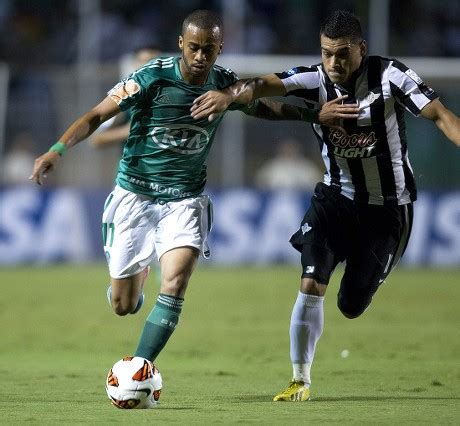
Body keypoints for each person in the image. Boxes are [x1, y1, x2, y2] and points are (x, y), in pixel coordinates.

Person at [29, 9, 359, 376]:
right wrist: (56, 151)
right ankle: (129, 287)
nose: (201, 57)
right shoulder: (150, 78)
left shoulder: (224, 83)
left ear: (220, 48)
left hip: (185, 199)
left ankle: (139, 369)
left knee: (175, 282)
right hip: (135, 195)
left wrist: (314, 114)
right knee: (123, 305)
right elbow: (95, 116)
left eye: (209, 49)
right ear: (181, 45)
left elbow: (264, 107)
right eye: (194, 48)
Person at [190, 10, 460, 402]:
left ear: (361, 50)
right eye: (327, 53)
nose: (333, 63)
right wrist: (227, 95)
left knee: (351, 305)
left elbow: (441, 116)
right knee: (311, 280)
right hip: (335, 199)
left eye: (343, 54)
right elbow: (261, 85)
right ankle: (300, 379)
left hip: (388, 209)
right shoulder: (314, 79)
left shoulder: (391, 76)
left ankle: (362, 281)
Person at [90, 45, 161, 149]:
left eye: (152, 61)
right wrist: (130, 130)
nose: (147, 66)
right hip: (132, 164)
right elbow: (96, 139)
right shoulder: (125, 97)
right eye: (143, 61)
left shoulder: (174, 96)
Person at [255, 137, 323, 191]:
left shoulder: (307, 166)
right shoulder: (272, 166)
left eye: (291, 148)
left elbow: (317, 184)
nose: (289, 151)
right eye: (286, 148)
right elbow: (260, 183)